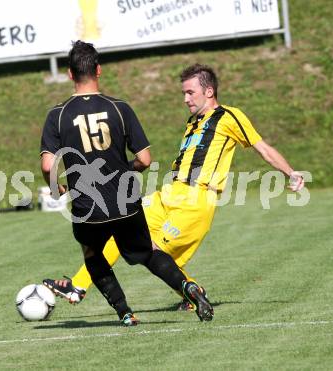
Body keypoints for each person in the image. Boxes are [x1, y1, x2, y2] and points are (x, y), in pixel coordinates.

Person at [48, 63, 305, 311]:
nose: (185, 98)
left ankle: (192, 291)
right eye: (184, 92)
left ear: (209, 91)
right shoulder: (193, 122)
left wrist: (291, 172)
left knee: (152, 251)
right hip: (170, 193)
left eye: (190, 92)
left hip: (196, 200)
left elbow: (262, 147)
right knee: (119, 227)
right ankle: (78, 286)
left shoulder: (229, 116)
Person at [40, 42, 213, 326]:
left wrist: (58, 186)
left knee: (93, 255)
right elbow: (144, 159)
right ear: (98, 70)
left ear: (70, 74)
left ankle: (125, 313)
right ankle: (188, 287)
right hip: (125, 200)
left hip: (87, 208)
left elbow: (48, 166)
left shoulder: (57, 115)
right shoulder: (119, 108)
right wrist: (122, 168)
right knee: (147, 252)